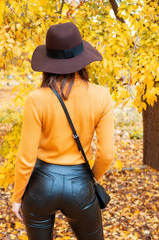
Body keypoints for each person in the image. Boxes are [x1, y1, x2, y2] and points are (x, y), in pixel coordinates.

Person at [12, 22, 114, 240]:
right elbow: (106, 155)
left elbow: (26, 157)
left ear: (49, 61)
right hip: (80, 185)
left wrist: (17, 197)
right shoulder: (101, 96)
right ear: (82, 58)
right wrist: (88, 181)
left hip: (41, 185)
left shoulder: (36, 98)